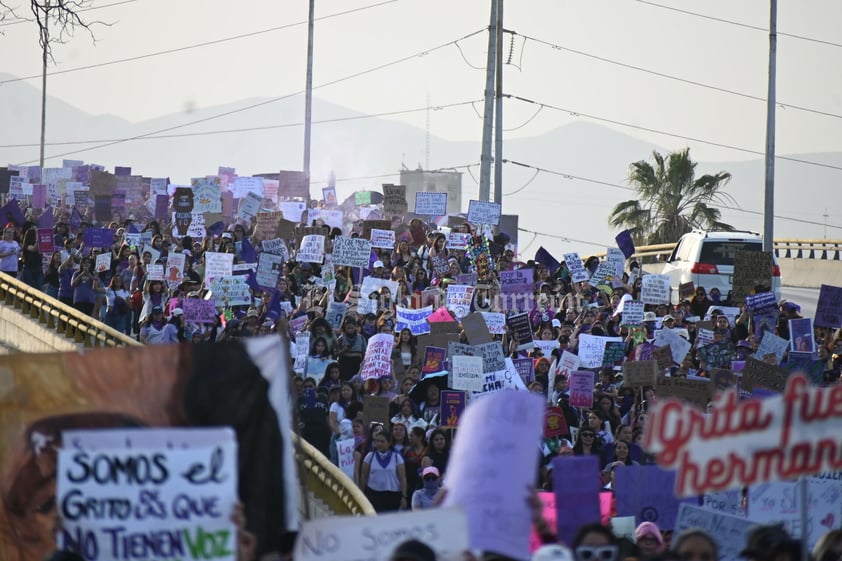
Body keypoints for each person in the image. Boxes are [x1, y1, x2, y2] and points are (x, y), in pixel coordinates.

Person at [359, 430, 408, 512]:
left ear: (389, 443)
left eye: (382, 441)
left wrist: (404, 497)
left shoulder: (396, 457)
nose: (379, 444)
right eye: (377, 441)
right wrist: (361, 495)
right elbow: (363, 477)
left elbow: (402, 478)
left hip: (393, 495)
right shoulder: (370, 456)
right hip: (374, 494)